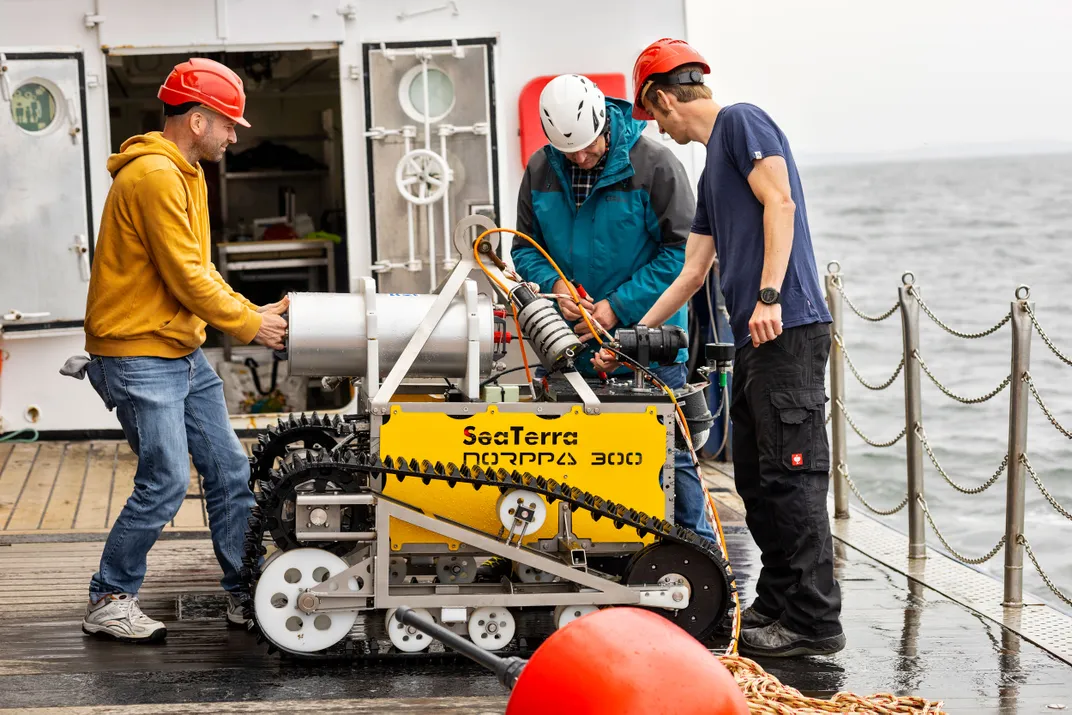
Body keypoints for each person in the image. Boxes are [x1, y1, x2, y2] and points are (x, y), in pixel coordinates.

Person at [595, 39, 844, 656]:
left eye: (654, 116)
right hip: (759, 337)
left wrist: (767, 295)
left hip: (786, 328)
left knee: (793, 478)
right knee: (757, 481)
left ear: (661, 95)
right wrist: (625, 337)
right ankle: (778, 605)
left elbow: (779, 202)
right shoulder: (711, 172)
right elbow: (690, 273)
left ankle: (815, 622)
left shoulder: (741, 122)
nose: (657, 127)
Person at [74, 58, 287, 642]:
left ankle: (247, 592)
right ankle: (109, 597)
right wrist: (250, 327)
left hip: (180, 351)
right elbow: (185, 279)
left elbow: (200, 269)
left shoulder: (186, 172)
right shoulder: (154, 177)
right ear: (197, 120)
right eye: (229, 123)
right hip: (139, 354)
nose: (235, 134)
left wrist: (251, 310)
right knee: (166, 480)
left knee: (228, 469)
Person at [511, 73, 716, 544]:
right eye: (569, 152)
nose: (579, 158)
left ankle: (704, 563)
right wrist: (555, 285)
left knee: (670, 455)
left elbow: (683, 254)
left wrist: (617, 308)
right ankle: (594, 554)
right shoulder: (542, 168)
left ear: (604, 120)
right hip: (568, 344)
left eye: (586, 147)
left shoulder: (656, 165)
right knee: (572, 456)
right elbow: (524, 249)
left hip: (648, 343)